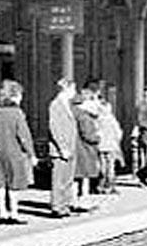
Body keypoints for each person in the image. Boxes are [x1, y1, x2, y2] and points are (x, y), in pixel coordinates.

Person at [0, 80, 34, 222]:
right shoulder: (17, 113)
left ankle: (2, 211)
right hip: (15, 153)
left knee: (1, 183)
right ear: (15, 95)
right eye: (20, 94)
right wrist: (31, 154)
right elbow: (24, 136)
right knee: (14, 184)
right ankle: (14, 213)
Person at [48, 78, 77, 218]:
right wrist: (62, 148)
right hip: (61, 150)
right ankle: (57, 206)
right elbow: (55, 128)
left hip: (70, 147)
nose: (74, 92)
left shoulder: (68, 105)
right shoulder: (55, 105)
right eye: (73, 89)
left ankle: (65, 205)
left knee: (68, 178)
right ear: (66, 89)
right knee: (59, 178)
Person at [73, 81, 102, 209]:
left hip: (76, 146)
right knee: (85, 175)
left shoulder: (73, 112)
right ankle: (83, 199)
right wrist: (97, 138)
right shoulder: (85, 117)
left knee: (76, 175)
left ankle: (74, 199)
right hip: (85, 148)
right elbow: (88, 134)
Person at [96, 81, 124, 194]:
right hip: (109, 144)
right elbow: (118, 132)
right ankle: (108, 185)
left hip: (103, 144)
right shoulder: (110, 119)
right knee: (109, 165)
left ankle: (102, 185)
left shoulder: (98, 119)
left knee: (104, 165)